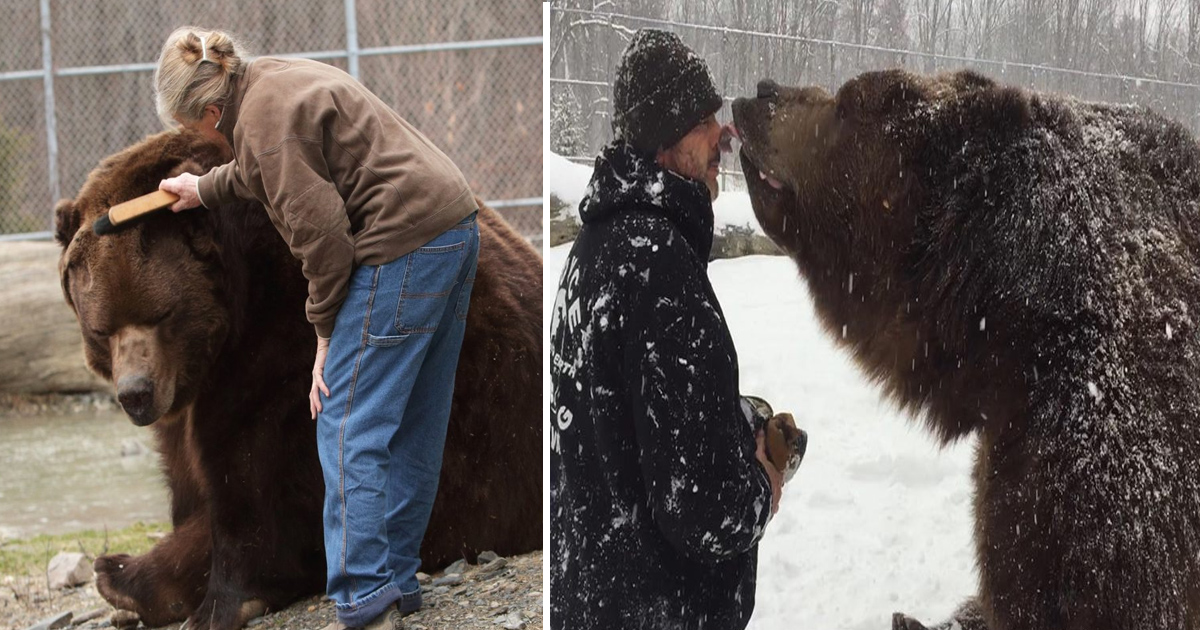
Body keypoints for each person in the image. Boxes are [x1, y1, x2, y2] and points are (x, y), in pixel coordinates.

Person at [154, 27, 480, 630]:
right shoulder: (267, 80)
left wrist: (324, 336)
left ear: (208, 110)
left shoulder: (261, 120)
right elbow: (265, 169)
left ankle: (363, 599)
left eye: (192, 128)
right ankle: (396, 579)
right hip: (455, 226)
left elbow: (325, 239)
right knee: (414, 416)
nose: (200, 138)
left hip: (401, 241)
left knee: (345, 417)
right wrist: (203, 189)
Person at [549, 28, 786, 630]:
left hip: (592, 599)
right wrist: (762, 482)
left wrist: (731, 423)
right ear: (664, 140)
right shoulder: (660, 270)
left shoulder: (595, 249)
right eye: (704, 120)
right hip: (660, 610)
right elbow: (700, 507)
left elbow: (620, 430)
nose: (723, 136)